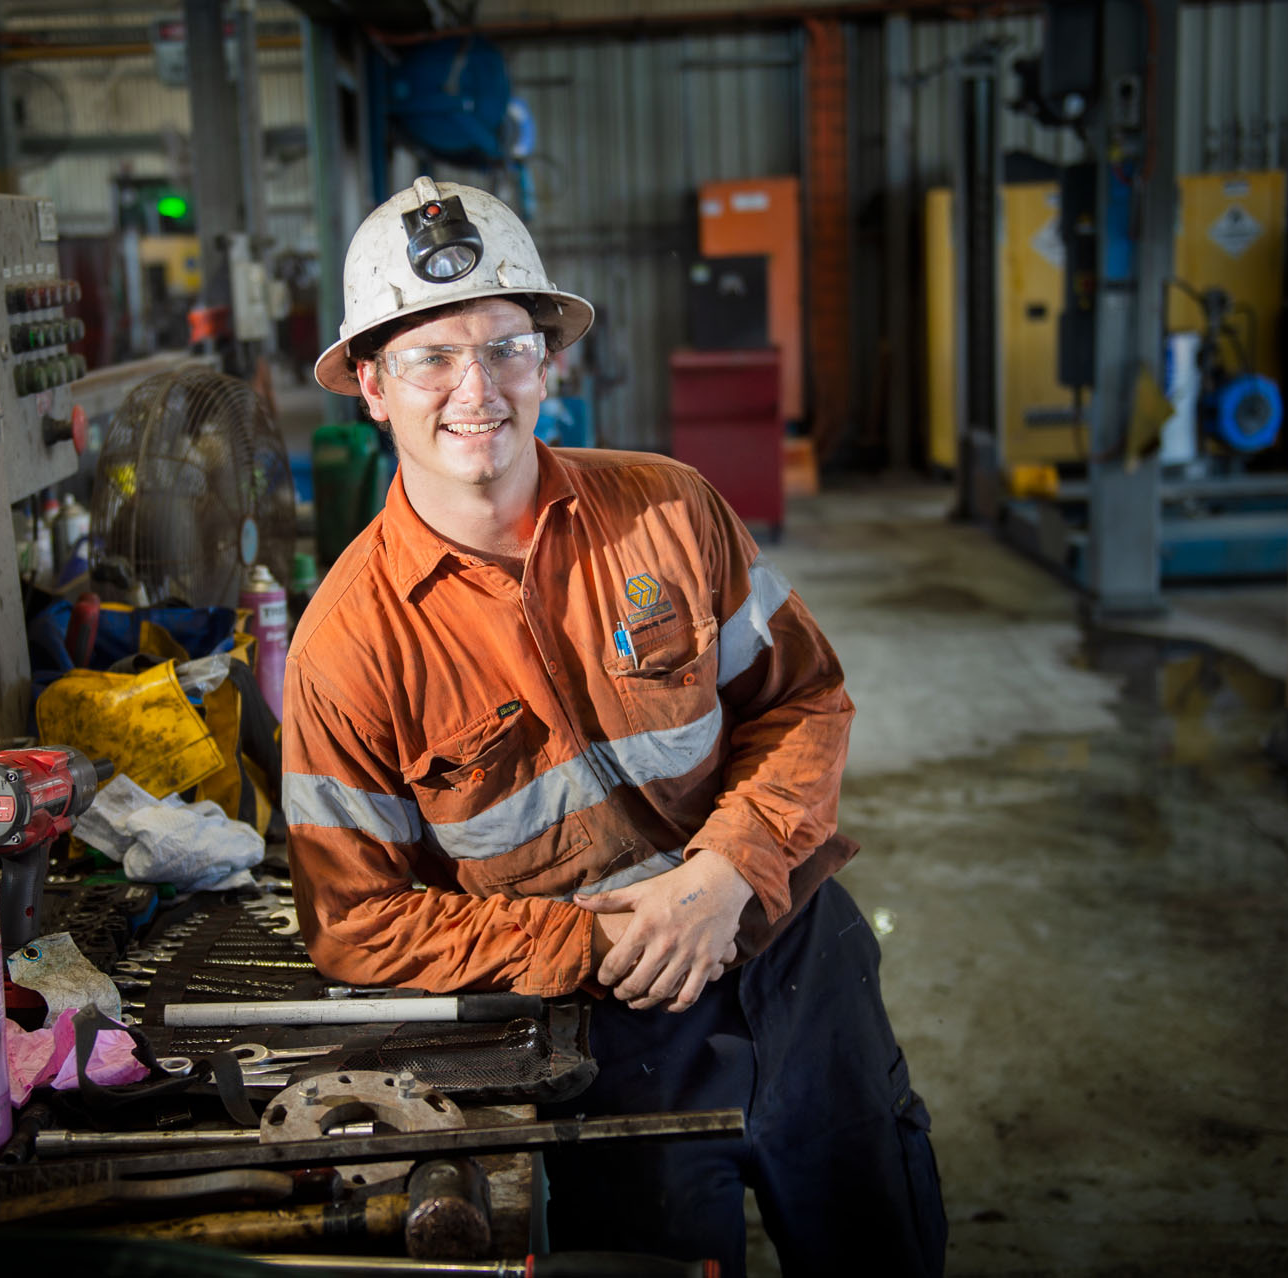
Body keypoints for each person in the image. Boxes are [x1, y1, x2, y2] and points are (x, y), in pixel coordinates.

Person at [282, 176, 945, 1276]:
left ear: (549, 359)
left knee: (881, 1247)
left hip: (794, 964)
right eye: (429, 357)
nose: (475, 389)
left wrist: (726, 872)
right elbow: (355, 921)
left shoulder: (673, 510)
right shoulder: (347, 647)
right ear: (369, 384)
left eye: (504, 345)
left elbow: (804, 700)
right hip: (602, 1032)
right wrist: (601, 941)